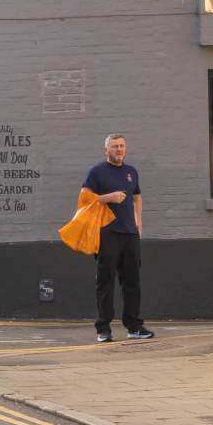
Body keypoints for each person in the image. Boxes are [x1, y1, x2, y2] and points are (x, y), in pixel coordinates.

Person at [83, 134, 154, 343]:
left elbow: (137, 197)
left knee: (132, 281)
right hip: (107, 233)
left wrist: (139, 222)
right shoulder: (97, 172)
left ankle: (134, 326)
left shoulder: (132, 172)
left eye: (122, 146)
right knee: (105, 281)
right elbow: (85, 199)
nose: (119, 149)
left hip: (130, 234)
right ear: (106, 150)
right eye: (114, 146)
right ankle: (103, 329)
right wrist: (108, 198)